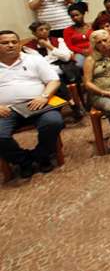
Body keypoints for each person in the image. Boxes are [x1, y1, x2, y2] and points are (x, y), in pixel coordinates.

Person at [0, 30, 64, 178]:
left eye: (14, 42)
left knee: (53, 122)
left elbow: (53, 81)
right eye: (4, 43)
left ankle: (41, 155)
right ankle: (24, 161)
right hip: (6, 110)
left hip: (38, 104)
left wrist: (44, 96)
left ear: (19, 44)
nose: (10, 45)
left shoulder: (34, 59)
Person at [24, 21, 83, 119]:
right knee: (54, 76)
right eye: (40, 30)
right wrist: (56, 55)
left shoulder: (58, 40)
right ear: (34, 33)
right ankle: (72, 103)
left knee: (55, 76)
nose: (44, 32)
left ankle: (70, 104)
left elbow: (67, 57)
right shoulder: (28, 47)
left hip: (63, 67)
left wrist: (49, 47)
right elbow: (39, 63)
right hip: (45, 71)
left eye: (46, 29)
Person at [63, 2, 93, 68]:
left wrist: (90, 50)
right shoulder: (67, 30)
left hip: (94, 50)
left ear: (83, 14)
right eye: (72, 16)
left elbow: (96, 40)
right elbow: (69, 45)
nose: (75, 18)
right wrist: (82, 51)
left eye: (77, 15)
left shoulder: (92, 27)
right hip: (79, 53)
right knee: (80, 64)